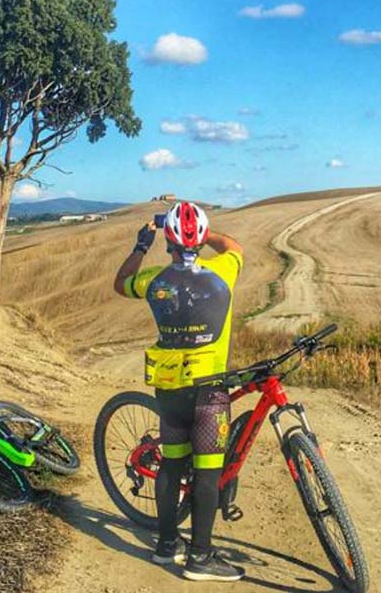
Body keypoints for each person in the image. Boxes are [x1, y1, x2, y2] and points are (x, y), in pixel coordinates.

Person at [113, 201, 246, 582]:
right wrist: (208, 232)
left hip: (170, 389)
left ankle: (166, 546)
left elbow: (120, 283)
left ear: (168, 240)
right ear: (201, 239)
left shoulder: (155, 281)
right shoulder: (223, 271)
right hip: (210, 393)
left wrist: (141, 246)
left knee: (171, 464)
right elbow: (235, 247)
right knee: (206, 475)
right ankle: (200, 558)